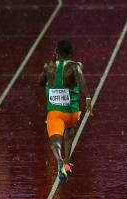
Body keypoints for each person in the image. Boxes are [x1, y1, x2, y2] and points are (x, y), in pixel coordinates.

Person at [39, 40, 91, 183]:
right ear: (70, 52)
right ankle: (67, 162)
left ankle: (60, 160)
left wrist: (50, 65)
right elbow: (81, 80)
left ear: (57, 52)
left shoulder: (48, 67)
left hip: (54, 112)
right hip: (71, 112)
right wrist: (88, 98)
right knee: (69, 131)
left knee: (55, 141)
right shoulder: (76, 66)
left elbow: (40, 82)